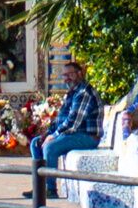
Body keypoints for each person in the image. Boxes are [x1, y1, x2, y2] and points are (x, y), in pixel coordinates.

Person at [33, 58, 100, 193]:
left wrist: (54, 136)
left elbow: (73, 122)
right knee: (36, 143)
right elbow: (60, 119)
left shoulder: (84, 93)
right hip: (74, 134)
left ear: (80, 74)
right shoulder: (72, 93)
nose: (67, 78)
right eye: (64, 75)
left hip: (87, 137)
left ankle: (50, 189)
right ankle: (39, 187)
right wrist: (48, 133)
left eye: (71, 74)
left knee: (50, 147)